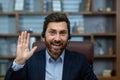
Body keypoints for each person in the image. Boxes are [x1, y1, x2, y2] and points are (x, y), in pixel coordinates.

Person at [5, 12, 97, 80]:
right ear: (44, 35)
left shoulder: (80, 61)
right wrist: (19, 63)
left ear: (68, 36)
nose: (57, 38)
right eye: (52, 33)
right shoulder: (29, 61)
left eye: (62, 33)